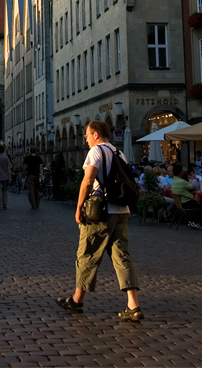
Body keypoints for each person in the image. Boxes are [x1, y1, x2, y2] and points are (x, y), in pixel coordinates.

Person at [57, 119, 142, 321]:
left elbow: (88, 181)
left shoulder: (96, 151)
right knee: (122, 257)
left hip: (101, 212)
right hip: (121, 210)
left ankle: (77, 300)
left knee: (87, 254)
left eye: (86, 135)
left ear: (95, 134)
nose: (85, 139)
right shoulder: (118, 152)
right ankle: (133, 304)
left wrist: (79, 207)